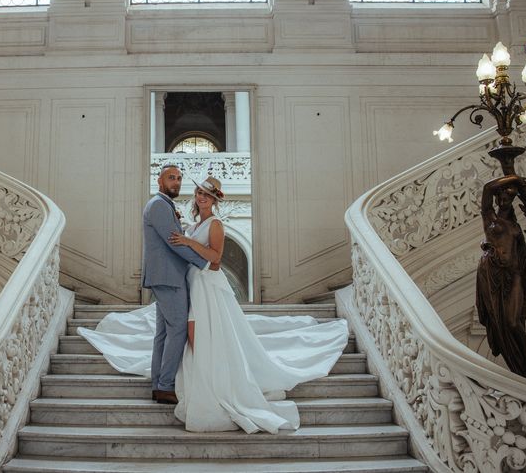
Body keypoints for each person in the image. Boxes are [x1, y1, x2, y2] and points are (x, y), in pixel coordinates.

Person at [79, 175, 350, 433]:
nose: (201, 198)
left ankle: (207, 380)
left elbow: (216, 259)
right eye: (199, 193)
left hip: (206, 283)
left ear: (214, 200)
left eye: (207, 195)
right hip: (191, 281)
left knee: (197, 330)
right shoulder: (193, 224)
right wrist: (184, 233)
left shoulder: (215, 225)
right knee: (189, 331)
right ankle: (187, 378)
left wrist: (186, 240)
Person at [139, 165, 213, 405]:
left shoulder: (163, 205)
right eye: (171, 178)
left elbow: (174, 237)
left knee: (163, 334)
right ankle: (166, 385)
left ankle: (158, 384)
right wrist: (204, 262)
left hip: (165, 276)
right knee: (178, 330)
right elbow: (175, 243)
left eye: (179, 179)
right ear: (159, 180)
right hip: (168, 277)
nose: (176, 182)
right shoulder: (159, 205)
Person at [476, 174, 526, 383]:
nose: (504, 199)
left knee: (514, 322)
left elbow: (524, 253)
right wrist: (512, 178)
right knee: (500, 323)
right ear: (497, 199)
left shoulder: (515, 227)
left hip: (513, 275)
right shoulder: (489, 218)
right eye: (502, 195)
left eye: (509, 196)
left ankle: (524, 365)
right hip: (493, 274)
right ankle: (520, 368)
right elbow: (487, 188)